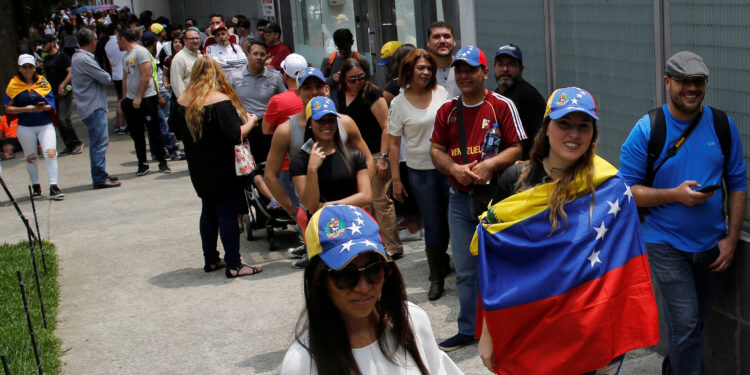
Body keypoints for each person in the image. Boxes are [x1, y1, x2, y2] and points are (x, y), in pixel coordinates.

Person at [476, 87, 659, 375]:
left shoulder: (610, 188)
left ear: (593, 134)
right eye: (564, 124)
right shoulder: (515, 180)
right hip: (532, 330)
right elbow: (494, 266)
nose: (573, 134)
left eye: (583, 126)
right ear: (546, 127)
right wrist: (488, 332)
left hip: (588, 336)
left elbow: (623, 267)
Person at [619, 51, 747, 374]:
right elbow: (628, 192)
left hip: (711, 246)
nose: (691, 88)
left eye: (698, 82)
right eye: (683, 82)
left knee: (692, 326)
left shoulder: (721, 126)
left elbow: (737, 183)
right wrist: (674, 195)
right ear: (667, 83)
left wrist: (732, 238)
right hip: (666, 243)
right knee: (687, 325)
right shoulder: (648, 129)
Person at [279, 204, 463, 375]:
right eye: (346, 275)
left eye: (374, 270)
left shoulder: (413, 320)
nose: (363, 287)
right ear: (317, 279)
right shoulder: (301, 363)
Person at [429, 46, 524, 351]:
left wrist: (489, 165)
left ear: (484, 73)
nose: (464, 76)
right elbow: (435, 151)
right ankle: (468, 329)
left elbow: (517, 149)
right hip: (460, 198)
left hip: (497, 200)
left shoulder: (501, 105)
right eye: (459, 70)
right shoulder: (448, 111)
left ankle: (508, 330)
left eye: (471, 69)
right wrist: (454, 169)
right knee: (466, 270)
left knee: (503, 268)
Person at [264, 67, 374, 268]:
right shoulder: (286, 130)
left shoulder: (345, 123)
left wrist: (362, 196)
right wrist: (293, 211)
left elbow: (366, 159)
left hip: (349, 207)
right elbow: (270, 175)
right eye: (307, 87)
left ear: (326, 89)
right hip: (313, 206)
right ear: (298, 92)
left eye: (318, 86)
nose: (313, 92)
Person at [174, 56, 262, 278]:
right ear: (217, 74)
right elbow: (235, 135)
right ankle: (234, 264)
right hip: (224, 168)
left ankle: (211, 259)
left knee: (208, 211)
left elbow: (174, 130)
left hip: (198, 168)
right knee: (228, 213)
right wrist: (250, 122)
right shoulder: (219, 100)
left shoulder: (183, 100)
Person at [388, 48, 451, 300]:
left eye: (429, 69)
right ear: (408, 71)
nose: (425, 73)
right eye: (420, 68)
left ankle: (445, 260)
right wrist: (395, 179)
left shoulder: (442, 93)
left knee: (452, 219)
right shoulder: (398, 103)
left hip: (447, 168)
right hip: (420, 173)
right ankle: (436, 277)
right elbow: (393, 143)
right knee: (433, 223)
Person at [334, 58, 403, 258]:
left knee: (380, 199)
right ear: (343, 79)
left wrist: (383, 158)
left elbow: (386, 127)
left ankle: (393, 246)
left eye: (361, 77)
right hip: (354, 157)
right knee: (365, 202)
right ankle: (372, 243)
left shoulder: (371, 93)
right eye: (352, 79)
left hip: (375, 153)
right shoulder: (339, 93)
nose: (358, 82)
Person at [227, 40, 285, 205]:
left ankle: (281, 198)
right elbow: (227, 102)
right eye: (255, 54)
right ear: (247, 55)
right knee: (251, 168)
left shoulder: (275, 77)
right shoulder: (234, 77)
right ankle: (270, 199)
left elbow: (284, 99)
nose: (259, 57)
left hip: (270, 129)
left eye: (262, 54)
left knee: (273, 166)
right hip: (246, 128)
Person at [290, 97, 372, 213]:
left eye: (331, 120)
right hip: (322, 227)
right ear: (310, 124)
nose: (327, 125)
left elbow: (366, 196)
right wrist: (312, 169)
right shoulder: (300, 161)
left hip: (353, 222)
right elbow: (310, 205)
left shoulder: (354, 154)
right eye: (320, 120)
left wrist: (326, 206)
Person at [4, 54, 65, 199]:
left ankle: (53, 185)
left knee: (50, 153)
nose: (27, 70)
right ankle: (36, 186)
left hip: (44, 124)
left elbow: (52, 105)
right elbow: (8, 108)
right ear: (19, 68)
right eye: (24, 67)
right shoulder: (14, 85)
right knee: (30, 157)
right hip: (25, 126)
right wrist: (26, 109)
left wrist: (42, 107)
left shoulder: (42, 82)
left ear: (34, 67)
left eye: (30, 67)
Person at [71, 28, 121, 189]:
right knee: (99, 143)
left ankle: (101, 173)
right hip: (93, 105)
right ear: (92, 40)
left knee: (98, 142)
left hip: (90, 105)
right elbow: (105, 78)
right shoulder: (84, 59)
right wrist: (104, 74)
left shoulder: (80, 57)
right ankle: (99, 176)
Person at [118, 28, 171, 176]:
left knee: (154, 131)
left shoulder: (140, 52)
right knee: (137, 134)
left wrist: (139, 97)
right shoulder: (125, 57)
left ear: (123, 38)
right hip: (131, 100)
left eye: (118, 40)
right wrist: (124, 99)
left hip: (146, 98)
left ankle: (162, 161)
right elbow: (125, 78)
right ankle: (142, 163)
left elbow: (147, 75)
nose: (117, 43)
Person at [493, 43, 546, 160]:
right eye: (500, 64)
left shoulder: (529, 96)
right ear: (494, 67)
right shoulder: (495, 94)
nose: (505, 69)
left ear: (521, 69)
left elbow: (543, 137)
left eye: (511, 64)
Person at [41, 34, 83, 156]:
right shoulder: (46, 59)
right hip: (52, 94)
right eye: (42, 43)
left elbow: (71, 73)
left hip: (64, 92)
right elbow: (45, 75)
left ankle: (76, 143)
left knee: (63, 118)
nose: (43, 45)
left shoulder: (63, 56)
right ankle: (69, 145)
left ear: (52, 43)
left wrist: (62, 85)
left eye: (45, 43)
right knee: (58, 121)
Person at [105, 23, 128, 134]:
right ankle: (123, 124)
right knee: (124, 99)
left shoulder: (107, 44)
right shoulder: (120, 42)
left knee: (120, 99)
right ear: (115, 31)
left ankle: (120, 124)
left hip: (115, 74)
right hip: (124, 74)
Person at [426, 21, 458, 97]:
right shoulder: (421, 71)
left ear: (454, 41)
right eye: (436, 37)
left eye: (446, 36)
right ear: (428, 43)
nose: (442, 41)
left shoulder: (465, 68)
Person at [170, 27, 202, 98]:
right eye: (192, 39)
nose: (195, 41)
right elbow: (177, 83)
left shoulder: (201, 56)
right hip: (189, 101)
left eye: (197, 38)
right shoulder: (179, 58)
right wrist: (185, 102)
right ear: (185, 41)